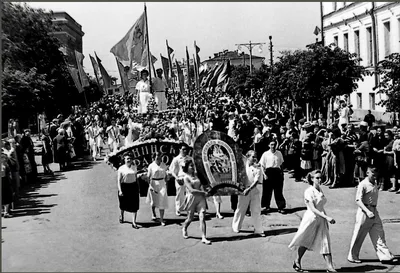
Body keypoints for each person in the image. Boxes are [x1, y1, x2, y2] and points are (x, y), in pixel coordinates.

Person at [288, 170, 337, 272]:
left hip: (321, 218)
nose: (320, 180)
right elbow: (313, 209)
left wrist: (324, 217)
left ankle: (330, 266)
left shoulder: (320, 189)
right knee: (306, 240)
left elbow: (320, 205)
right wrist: (327, 217)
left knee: (325, 241)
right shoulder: (308, 191)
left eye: (320, 177)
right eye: (317, 178)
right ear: (312, 179)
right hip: (311, 218)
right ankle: (297, 261)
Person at [347, 166, 397, 264]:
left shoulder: (374, 183)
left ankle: (385, 256)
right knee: (359, 235)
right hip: (364, 212)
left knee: (379, 233)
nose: (374, 176)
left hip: (374, 211)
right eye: (372, 173)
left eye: (375, 173)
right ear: (367, 173)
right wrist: (367, 211)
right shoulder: (363, 184)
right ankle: (352, 256)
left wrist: (372, 211)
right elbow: (358, 200)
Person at [232, 151, 265, 237]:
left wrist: (249, 189)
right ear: (248, 157)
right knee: (241, 208)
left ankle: (258, 230)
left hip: (253, 191)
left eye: (255, 156)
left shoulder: (258, 167)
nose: (254, 158)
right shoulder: (242, 166)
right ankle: (236, 226)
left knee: (256, 210)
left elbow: (256, 181)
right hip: (243, 191)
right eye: (253, 157)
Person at [180, 159, 211, 245]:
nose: (193, 167)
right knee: (190, 218)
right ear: (187, 168)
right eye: (191, 166)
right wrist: (203, 193)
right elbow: (192, 190)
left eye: (193, 165)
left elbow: (202, 185)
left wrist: (206, 191)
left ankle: (204, 237)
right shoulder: (186, 178)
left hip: (200, 198)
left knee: (202, 217)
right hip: (191, 198)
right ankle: (184, 227)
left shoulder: (197, 175)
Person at [259, 141, 286, 213]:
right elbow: (262, 165)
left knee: (278, 191)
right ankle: (266, 206)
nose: (273, 146)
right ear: (269, 145)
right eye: (271, 144)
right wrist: (264, 174)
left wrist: (282, 174)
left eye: (274, 145)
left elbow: (281, 164)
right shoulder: (265, 154)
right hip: (268, 173)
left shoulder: (279, 153)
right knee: (267, 191)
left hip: (277, 172)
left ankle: (281, 207)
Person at [117, 152, 140, 229]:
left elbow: (136, 178)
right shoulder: (121, 168)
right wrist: (120, 190)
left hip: (133, 187)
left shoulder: (134, 167)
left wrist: (138, 188)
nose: (129, 160)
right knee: (123, 204)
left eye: (130, 158)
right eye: (127, 159)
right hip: (124, 187)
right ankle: (122, 215)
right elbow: (118, 181)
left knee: (135, 205)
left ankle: (134, 222)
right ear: (124, 159)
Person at [168, 144, 192, 216]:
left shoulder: (189, 158)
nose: (185, 151)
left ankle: (189, 208)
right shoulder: (176, 159)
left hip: (188, 178)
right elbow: (171, 170)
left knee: (189, 194)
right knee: (179, 194)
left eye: (186, 149)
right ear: (180, 150)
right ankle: (178, 209)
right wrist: (176, 178)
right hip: (180, 178)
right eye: (183, 149)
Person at [146, 152, 168, 226]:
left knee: (162, 200)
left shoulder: (163, 165)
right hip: (153, 183)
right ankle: (153, 213)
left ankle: (161, 219)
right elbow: (148, 177)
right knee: (153, 201)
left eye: (160, 156)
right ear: (154, 157)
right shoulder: (151, 166)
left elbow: (166, 176)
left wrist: (166, 183)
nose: (158, 158)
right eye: (157, 156)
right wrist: (150, 186)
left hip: (162, 183)